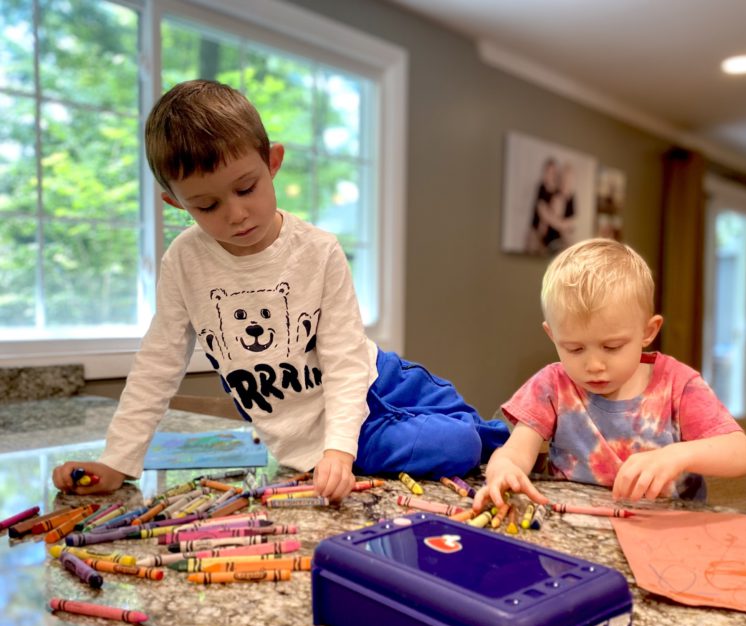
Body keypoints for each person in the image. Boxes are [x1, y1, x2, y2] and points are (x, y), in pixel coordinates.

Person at [52, 79, 508, 501]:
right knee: (461, 443)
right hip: (330, 429)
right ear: (176, 203)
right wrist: (117, 461)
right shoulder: (184, 262)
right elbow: (157, 365)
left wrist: (338, 450)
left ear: (272, 163)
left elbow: (345, 358)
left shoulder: (318, 250)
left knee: (476, 423)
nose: (236, 215)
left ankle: (514, 448)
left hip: (373, 381)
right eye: (207, 206)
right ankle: (491, 444)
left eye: (246, 188)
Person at [474, 238, 746, 511]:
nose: (594, 365)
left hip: (661, 532)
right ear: (552, 335)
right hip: (574, 524)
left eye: (612, 347)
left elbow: (742, 454)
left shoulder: (677, 384)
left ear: (648, 332)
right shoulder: (552, 385)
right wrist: (505, 470)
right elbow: (515, 452)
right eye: (574, 348)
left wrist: (678, 455)